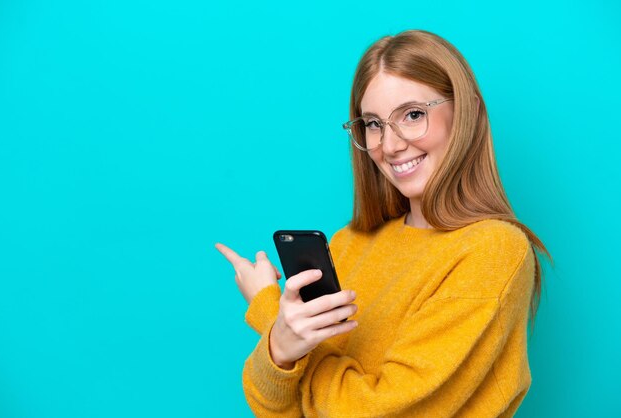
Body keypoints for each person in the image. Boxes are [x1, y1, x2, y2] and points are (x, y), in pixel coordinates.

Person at [216, 29, 553, 417]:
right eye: (373, 124)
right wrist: (283, 345)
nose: (390, 145)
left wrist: (270, 313)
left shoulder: (493, 251)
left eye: (412, 115)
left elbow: (378, 411)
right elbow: (273, 408)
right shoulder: (349, 243)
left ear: (467, 112)